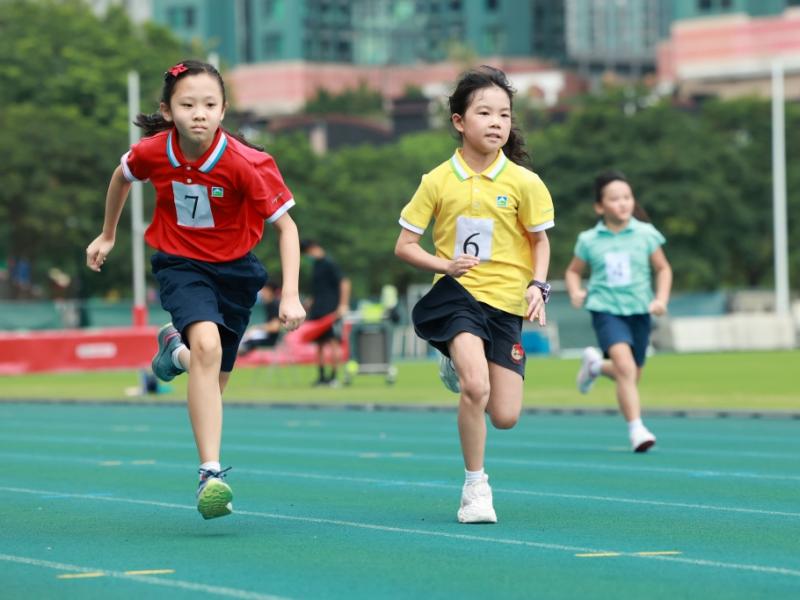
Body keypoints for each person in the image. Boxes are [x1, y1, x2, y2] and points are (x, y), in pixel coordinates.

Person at [85, 59, 306, 519]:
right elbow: (121, 177)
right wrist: (107, 233)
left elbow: (287, 229)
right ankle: (210, 474)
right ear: (168, 111)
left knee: (212, 376)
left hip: (237, 273)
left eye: (209, 104)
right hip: (181, 264)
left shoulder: (247, 164)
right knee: (206, 345)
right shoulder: (153, 151)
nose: (199, 113)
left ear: (223, 110)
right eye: (187, 104)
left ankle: (173, 350)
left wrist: (290, 294)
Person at [394, 65, 554, 524]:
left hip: (505, 304)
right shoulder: (437, 181)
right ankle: (475, 489)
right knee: (476, 386)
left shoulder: (525, 182)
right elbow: (404, 245)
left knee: (504, 415)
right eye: (484, 112)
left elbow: (540, 241)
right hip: (457, 295)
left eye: (504, 114)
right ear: (459, 121)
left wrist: (537, 285)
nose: (496, 122)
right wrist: (443, 264)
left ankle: (455, 366)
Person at [565, 170, 672, 453]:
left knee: (631, 375)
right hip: (606, 310)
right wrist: (575, 291)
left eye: (627, 197)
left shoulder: (646, 234)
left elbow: (663, 268)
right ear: (600, 206)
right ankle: (637, 430)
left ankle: (596, 366)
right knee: (625, 368)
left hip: (639, 311)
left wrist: (660, 299)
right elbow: (574, 271)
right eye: (614, 199)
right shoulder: (589, 240)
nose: (623, 203)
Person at [300, 239, 351, 387]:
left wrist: (343, 304)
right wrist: (309, 303)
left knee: (333, 342)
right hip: (318, 310)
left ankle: (333, 377)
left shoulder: (329, 263)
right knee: (320, 344)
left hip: (331, 310)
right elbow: (319, 289)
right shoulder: (316, 265)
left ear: (312, 249)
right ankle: (322, 377)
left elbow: (344, 282)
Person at [238, 281, 282, 356]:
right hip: (266, 336)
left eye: (263, 290)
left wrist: (256, 328)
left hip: (270, 339)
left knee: (245, 340)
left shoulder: (274, 304)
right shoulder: (268, 304)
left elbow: (275, 327)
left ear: (269, 291)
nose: (261, 293)